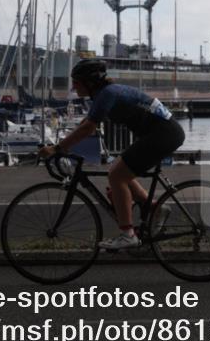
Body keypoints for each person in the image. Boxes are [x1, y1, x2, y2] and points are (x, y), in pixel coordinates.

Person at [38, 58, 185, 250]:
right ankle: (154, 208)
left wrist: (58, 149)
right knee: (119, 170)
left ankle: (128, 235)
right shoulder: (105, 94)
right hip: (163, 132)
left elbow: (89, 129)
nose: (74, 86)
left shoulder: (107, 94)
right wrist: (60, 145)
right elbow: (87, 122)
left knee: (117, 175)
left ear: (90, 82)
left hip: (164, 134)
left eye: (76, 82)